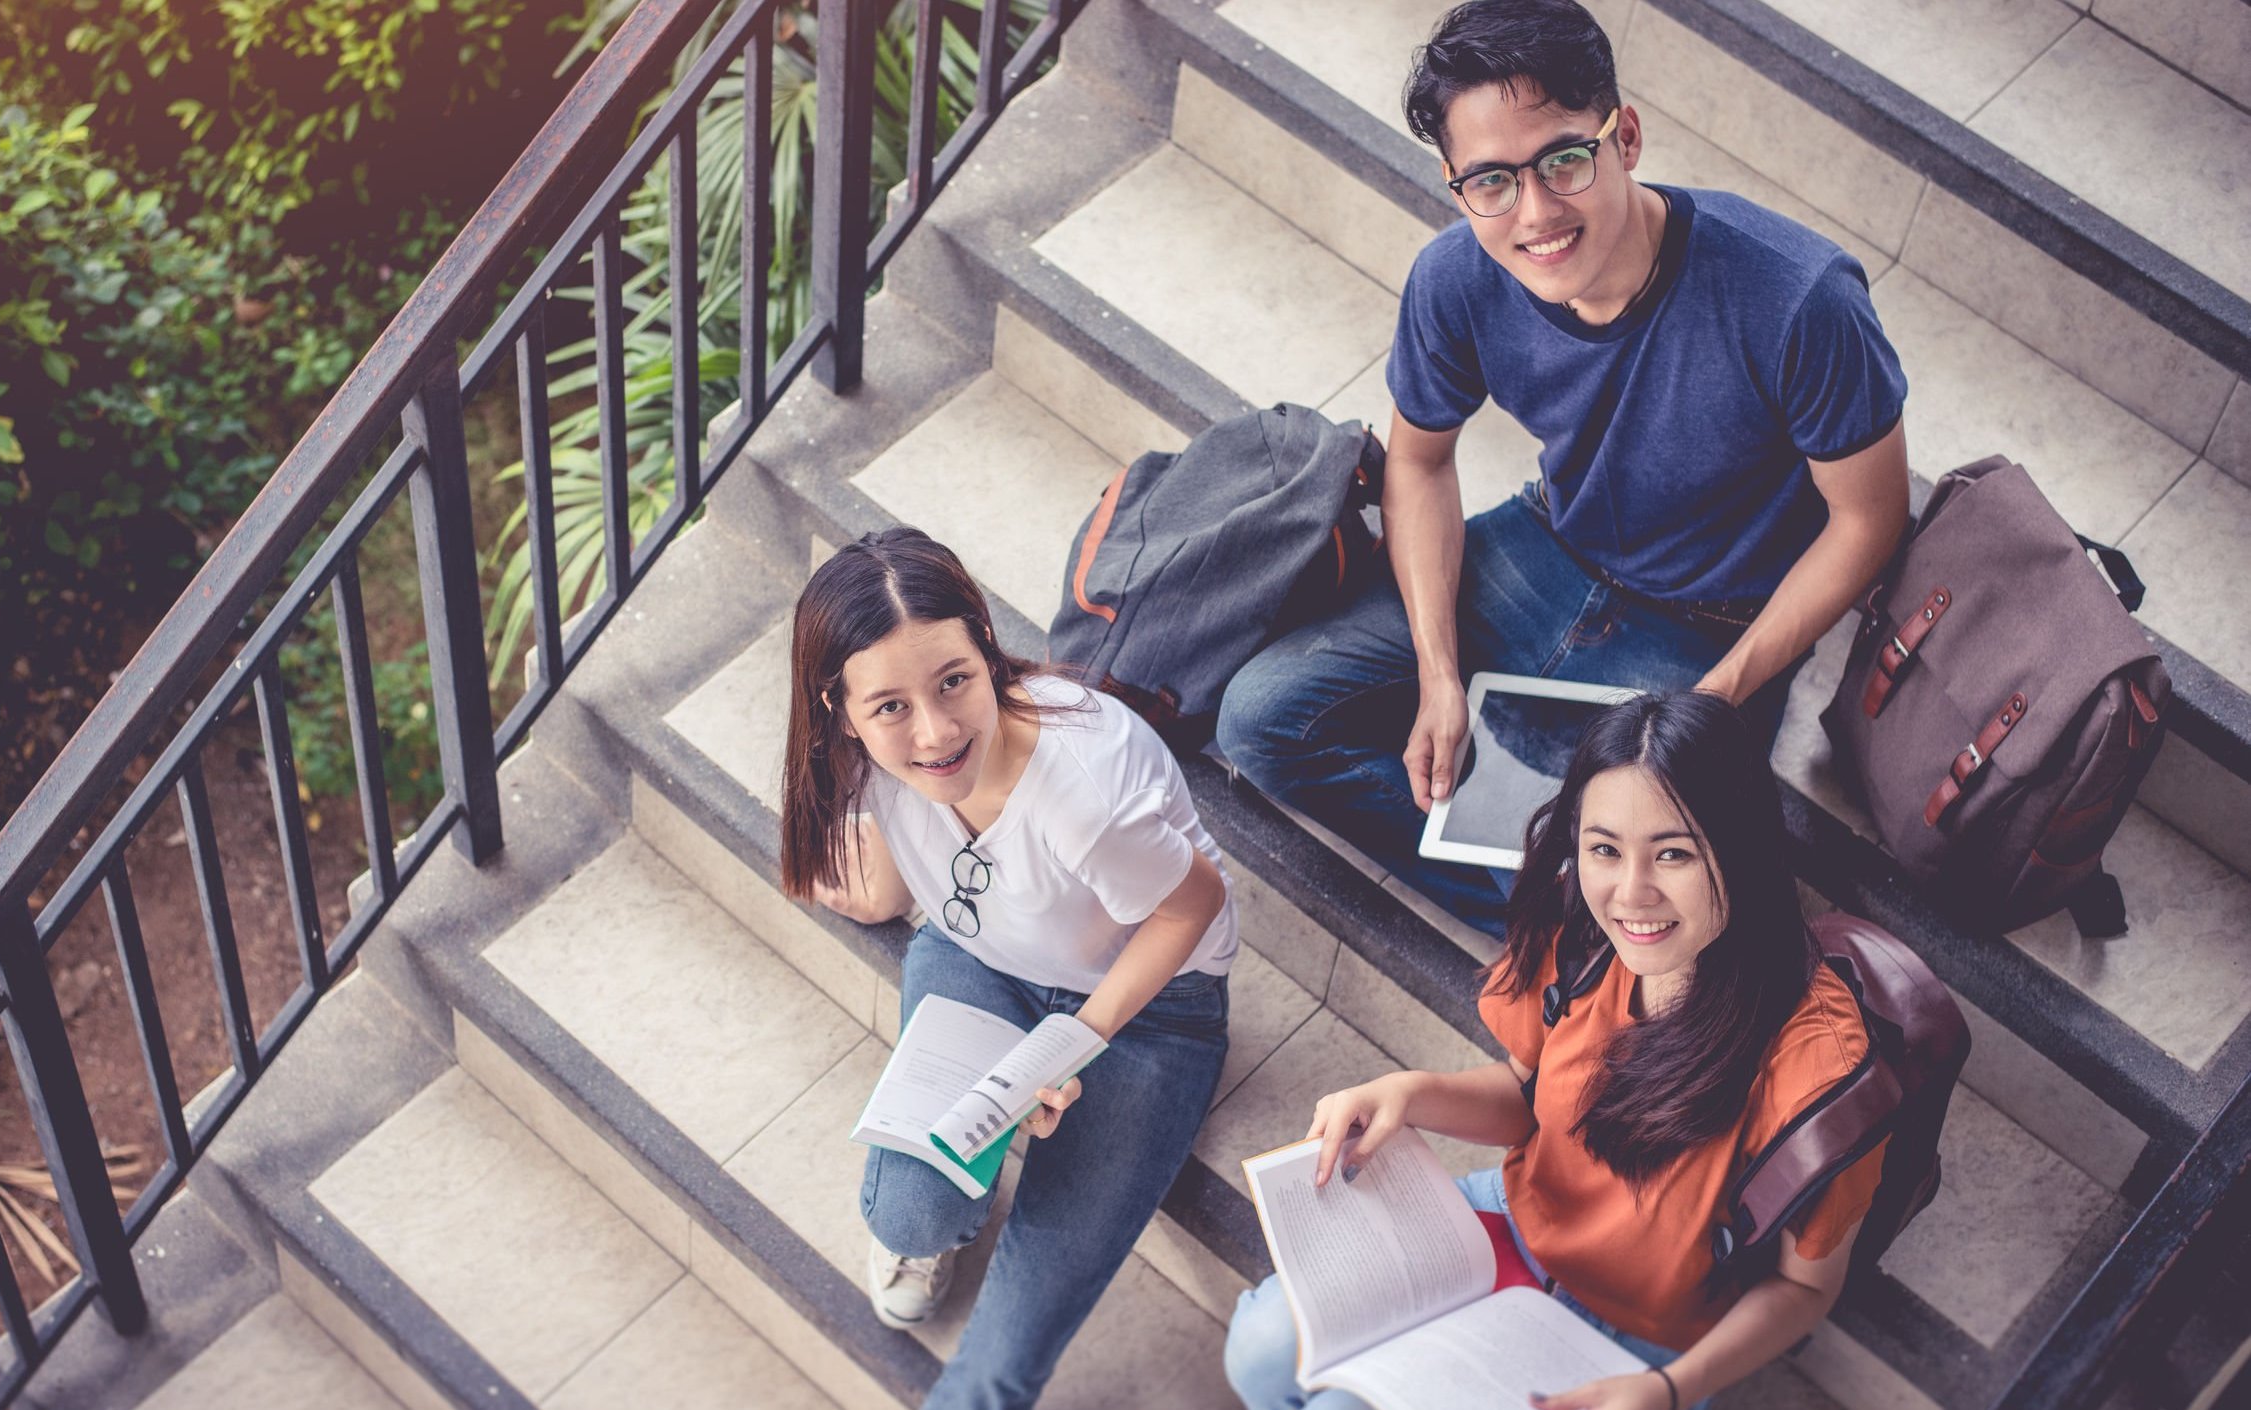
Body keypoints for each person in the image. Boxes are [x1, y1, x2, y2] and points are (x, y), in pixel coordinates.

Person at [1216, 0, 1911, 931]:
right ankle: (1540, 925)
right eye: (1492, 182)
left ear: (1623, 135)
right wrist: (1435, 671)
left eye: (1563, 161)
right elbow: (1416, 467)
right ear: (1455, 185)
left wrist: (1713, 704)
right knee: (1260, 719)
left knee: (1651, 867)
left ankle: (1578, 919)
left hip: (1707, 627)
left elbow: (1867, 520)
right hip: (1546, 547)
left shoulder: (1794, 297)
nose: (1535, 214)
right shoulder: (1455, 277)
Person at [1222, 691, 1888, 1410]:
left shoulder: (1820, 1064)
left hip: (1641, 1343)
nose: (1630, 895)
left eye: (1673, 854)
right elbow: (1525, 1097)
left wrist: (1668, 1389)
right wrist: (1408, 1093)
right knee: (1259, 1353)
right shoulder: (1580, 930)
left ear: (1741, 850)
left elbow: (1803, 1287)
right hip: (1512, 1225)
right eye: (1604, 849)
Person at [779, 527, 1239, 1409]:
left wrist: (1071, 1044)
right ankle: (937, 1221)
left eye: (954, 680)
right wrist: (881, 888)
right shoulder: (858, 756)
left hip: (1148, 1008)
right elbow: (913, 841)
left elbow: (1194, 904)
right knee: (909, 1212)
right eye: (891, 707)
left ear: (985, 651)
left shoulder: (1083, 793)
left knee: (999, 1365)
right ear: (839, 709)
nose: (936, 731)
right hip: (977, 953)